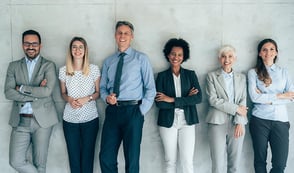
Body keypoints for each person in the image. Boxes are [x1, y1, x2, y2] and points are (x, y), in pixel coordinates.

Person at [99, 21, 156, 173]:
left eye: (126, 33)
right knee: (106, 157)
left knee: (132, 160)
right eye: (119, 33)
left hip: (133, 112)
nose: (122, 36)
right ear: (115, 36)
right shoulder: (108, 61)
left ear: (132, 36)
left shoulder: (141, 59)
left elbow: (150, 88)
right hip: (112, 112)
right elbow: (102, 87)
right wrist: (106, 98)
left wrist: (140, 111)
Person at [4, 29, 59, 173]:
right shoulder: (13, 66)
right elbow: (9, 92)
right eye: (27, 43)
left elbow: (47, 91)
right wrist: (35, 94)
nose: (31, 46)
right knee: (15, 161)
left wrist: (20, 88)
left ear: (40, 45)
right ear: (22, 45)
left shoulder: (48, 65)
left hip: (43, 121)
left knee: (40, 164)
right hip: (20, 121)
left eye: (34, 43)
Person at [155, 38, 202, 173]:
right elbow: (159, 103)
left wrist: (171, 99)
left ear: (184, 56)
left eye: (179, 55)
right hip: (167, 122)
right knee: (170, 162)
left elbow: (198, 98)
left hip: (187, 121)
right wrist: (186, 99)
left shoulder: (190, 75)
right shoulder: (162, 76)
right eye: (173, 54)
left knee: (187, 162)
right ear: (168, 55)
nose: (176, 57)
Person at [248, 38, 294, 173]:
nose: (268, 52)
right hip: (259, 120)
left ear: (276, 52)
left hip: (281, 121)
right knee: (260, 161)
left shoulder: (284, 72)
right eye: (264, 50)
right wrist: (280, 95)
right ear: (260, 53)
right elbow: (254, 97)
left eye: (272, 49)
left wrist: (266, 97)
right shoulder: (253, 72)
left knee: (280, 165)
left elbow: (291, 97)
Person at [58, 36, 100, 173]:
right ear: (70, 50)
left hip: (90, 119)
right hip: (70, 120)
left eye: (80, 47)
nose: (77, 50)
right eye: (74, 47)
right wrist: (69, 99)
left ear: (85, 50)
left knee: (88, 158)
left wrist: (86, 98)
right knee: (74, 158)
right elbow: (63, 93)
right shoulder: (64, 70)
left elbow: (98, 93)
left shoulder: (93, 69)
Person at [206, 45, 248, 173]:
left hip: (237, 124)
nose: (226, 60)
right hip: (217, 122)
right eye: (223, 56)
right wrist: (236, 109)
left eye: (230, 56)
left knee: (234, 165)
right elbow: (213, 100)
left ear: (235, 58)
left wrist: (240, 122)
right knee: (218, 166)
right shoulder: (211, 76)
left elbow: (243, 101)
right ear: (219, 59)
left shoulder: (242, 77)